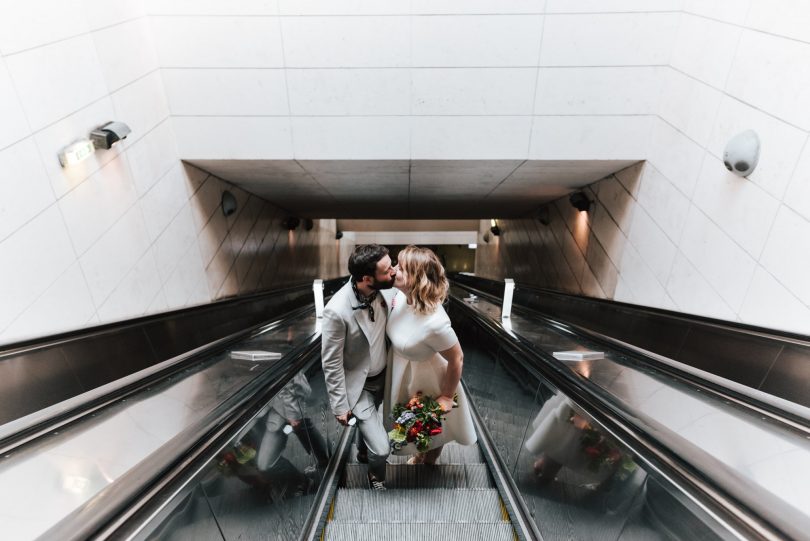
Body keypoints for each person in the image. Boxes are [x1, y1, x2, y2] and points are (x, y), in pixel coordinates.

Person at [386, 245, 476, 465]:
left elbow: (457, 358)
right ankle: (419, 453)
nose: (394, 270)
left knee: (433, 428)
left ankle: (429, 461)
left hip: (428, 379)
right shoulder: (398, 295)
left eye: (402, 268)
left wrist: (445, 396)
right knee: (408, 423)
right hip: (403, 369)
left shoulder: (436, 323)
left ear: (417, 279)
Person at [321, 244, 396, 490]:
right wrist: (340, 406)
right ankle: (376, 475)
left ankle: (364, 454)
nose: (393, 272)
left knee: (373, 423)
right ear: (367, 279)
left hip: (386, 376)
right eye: (387, 270)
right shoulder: (336, 311)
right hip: (360, 385)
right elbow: (331, 361)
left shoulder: (386, 290)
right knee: (383, 448)